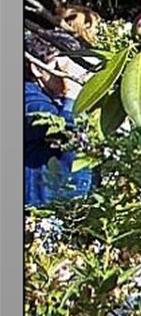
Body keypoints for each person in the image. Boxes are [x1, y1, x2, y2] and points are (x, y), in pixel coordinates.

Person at [24, 33, 96, 207]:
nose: (72, 72)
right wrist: (73, 91)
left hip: (75, 206)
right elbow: (62, 130)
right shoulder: (27, 100)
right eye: (63, 64)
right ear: (38, 69)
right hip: (44, 209)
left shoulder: (56, 99)